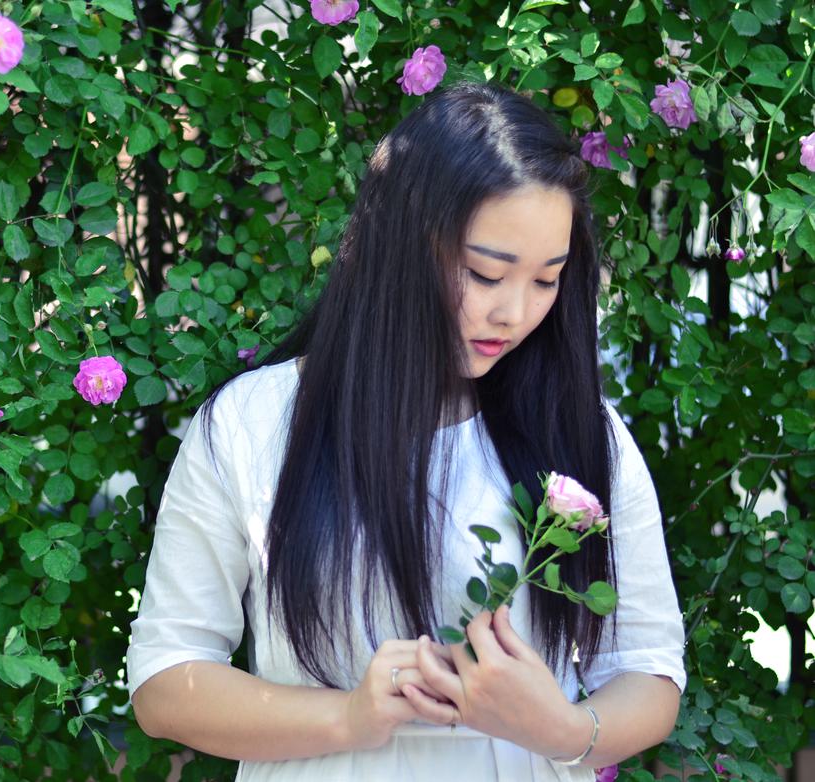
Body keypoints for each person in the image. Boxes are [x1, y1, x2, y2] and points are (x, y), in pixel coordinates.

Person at [125, 81, 686, 781]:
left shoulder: (579, 431)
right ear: (403, 246)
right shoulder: (254, 424)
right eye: (486, 273)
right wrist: (349, 717)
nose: (514, 313)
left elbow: (649, 668)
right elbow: (166, 681)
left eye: (547, 280)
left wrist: (562, 729)